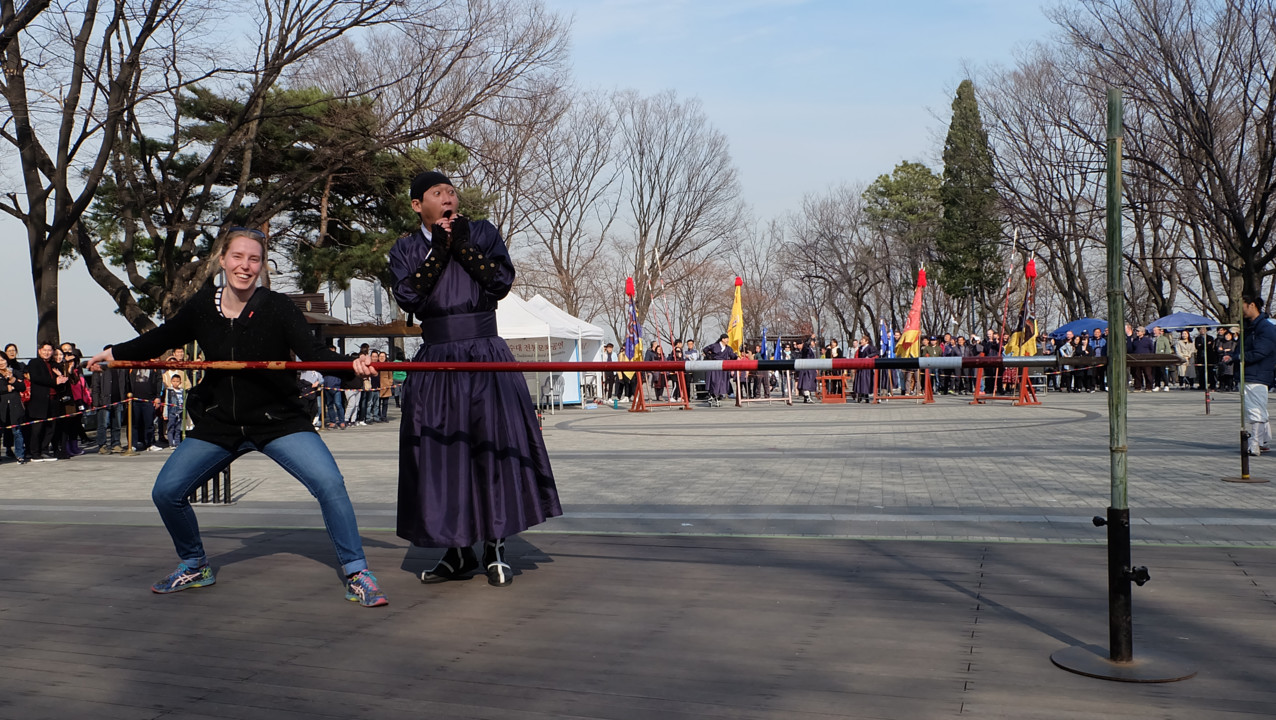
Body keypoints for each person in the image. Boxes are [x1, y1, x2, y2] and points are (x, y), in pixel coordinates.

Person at [87, 227, 388, 607]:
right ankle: (195, 564)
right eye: (238, 257)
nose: (245, 266)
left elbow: (313, 350)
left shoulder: (277, 307)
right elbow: (160, 338)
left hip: (278, 420)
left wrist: (351, 365)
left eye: (254, 259)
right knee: (166, 492)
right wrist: (113, 353)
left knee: (330, 484)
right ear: (223, 260)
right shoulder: (201, 307)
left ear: (262, 267)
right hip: (220, 423)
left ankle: (357, 572)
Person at [388, 171, 560, 588]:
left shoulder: (481, 233)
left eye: (451, 192)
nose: (448, 198)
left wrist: (460, 244)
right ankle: (457, 549)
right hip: (437, 359)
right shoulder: (406, 248)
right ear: (417, 205)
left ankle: (496, 543)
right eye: (437, 193)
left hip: (484, 351)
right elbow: (410, 296)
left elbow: (499, 282)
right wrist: (440, 250)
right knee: (442, 455)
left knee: (493, 446)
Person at [1241, 296, 1276, 456]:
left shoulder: (1264, 328)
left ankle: (1255, 443)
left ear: (1251, 305)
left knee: (1255, 410)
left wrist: (1237, 357)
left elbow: (1259, 352)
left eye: (1242, 305)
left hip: (1257, 374)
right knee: (1259, 409)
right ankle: (1262, 441)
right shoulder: (1254, 327)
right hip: (1255, 373)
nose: (1240, 309)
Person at [0, 353, 27, 463]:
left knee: (17, 431)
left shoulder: (14, 372)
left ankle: (20, 454)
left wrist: (13, 380)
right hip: (1, 405)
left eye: (3, 360)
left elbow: (22, 387)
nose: (1, 363)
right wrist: (8, 388)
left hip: (15, 405)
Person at [703, 333, 736, 406]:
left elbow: (732, 355)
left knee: (722, 382)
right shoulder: (714, 346)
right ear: (723, 339)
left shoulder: (728, 348)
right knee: (714, 382)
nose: (727, 340)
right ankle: (713, 396)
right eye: (726, 339)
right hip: (714, 366)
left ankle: (716, 397)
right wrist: (709, 356)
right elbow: (705, 349)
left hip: (723, 368)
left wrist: (737, 356)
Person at [163, 373, 185, 448]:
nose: (175, 383)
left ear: (180, 382)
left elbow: (184, 402)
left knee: (178, 428)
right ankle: (171, 443)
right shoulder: (169, 390)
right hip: (171, 411)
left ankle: (177, 443)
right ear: (171, 382)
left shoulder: (182, 391)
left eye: (177, 381)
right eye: (174, 381)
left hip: (180, 411)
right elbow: (166, 402)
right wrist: (165, 414)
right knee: (171, 428)